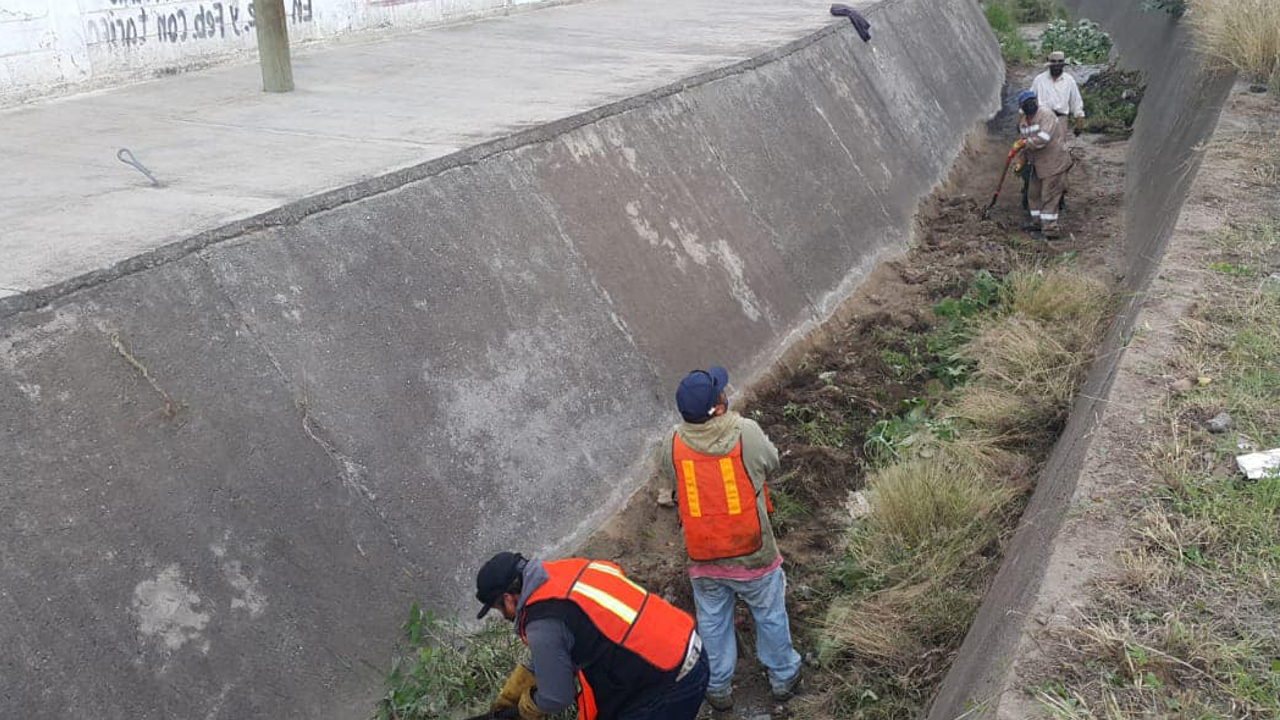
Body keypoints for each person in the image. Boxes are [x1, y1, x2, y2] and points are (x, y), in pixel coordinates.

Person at [658, 366, 802, 711]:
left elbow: (672, 485)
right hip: (752, 552)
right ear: (718, 406)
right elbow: (771, 462)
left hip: (703, 556)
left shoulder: (672, 442)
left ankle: (718, 688)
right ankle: (783, 678)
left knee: (712, 621)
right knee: (769, 613)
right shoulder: (745, 432)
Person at [478, 551, 708, 720]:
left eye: (500, 609)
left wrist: (527, 706)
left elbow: (557, 697)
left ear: (508, 598)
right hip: (689, 648)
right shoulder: (567, 569)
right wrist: (528, 673)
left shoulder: (541, 622)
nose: (505, 615)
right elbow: (566, 633)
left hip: (668, 683)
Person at [1016, 90, 1073, 239]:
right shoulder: (1023, 122)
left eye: (1031, 101)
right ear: (1021, 106)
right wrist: (1021, 159)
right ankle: (1037, 223)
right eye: (1026, 103)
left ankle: (1050, 230)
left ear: (1036, 101)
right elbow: (1024, 144)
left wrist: (1024, 143)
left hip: (1054, 163)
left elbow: (1043, 138)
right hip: (1038, 164)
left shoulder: (1046, 115)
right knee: (1033, 194)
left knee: (1049, 196)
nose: (1030, 105)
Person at [1030, 51, 1086, 135]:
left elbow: (1076, 102)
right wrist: (1023, 119)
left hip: (1061, 120)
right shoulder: (1039, 80)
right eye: (1054, 62)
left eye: (1060, 62)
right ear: (1049, 63)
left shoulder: (1069, 80)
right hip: (1042, 119)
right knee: (1041, 143)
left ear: (1063, 64)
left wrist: (1079, 122)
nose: (1056, 64)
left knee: (1058, 146)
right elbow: (1029, 100)